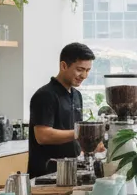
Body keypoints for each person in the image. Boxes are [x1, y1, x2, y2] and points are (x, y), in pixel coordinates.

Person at [27, 42, 96, 178]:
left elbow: (72, 134)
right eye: (80, 69)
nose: (84, 75)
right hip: (45, 176)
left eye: (87, 70)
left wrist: (91, 144)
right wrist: (81, 132)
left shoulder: (77, 96)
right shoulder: (45, 95)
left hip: (70, 172)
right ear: (64, 66)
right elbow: (43, 136)